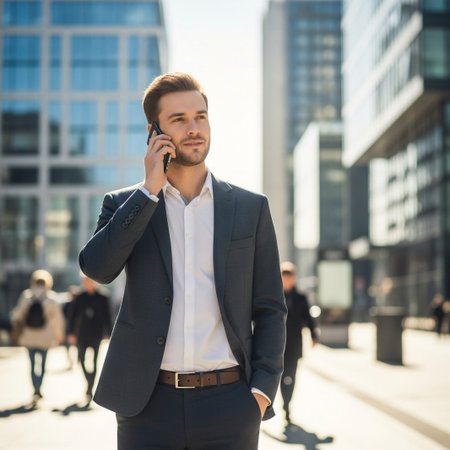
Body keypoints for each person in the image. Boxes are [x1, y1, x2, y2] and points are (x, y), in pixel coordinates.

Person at [79, 72, 286, 449]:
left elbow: (271, 306)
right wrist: (148, 191)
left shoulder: (250, 208)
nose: (194, 128)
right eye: (179, 119)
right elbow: (97, 269)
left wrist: (261, 392)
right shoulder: (126, 204)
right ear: (153, 131)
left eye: (200, 116)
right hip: (146, 405)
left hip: (231, 403)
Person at [10, 270, 65, 403]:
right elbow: (58, 319)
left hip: (28, 336)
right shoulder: (51, 298)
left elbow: (17, 315)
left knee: (32, 363)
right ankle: (39, 386)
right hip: (45, 337)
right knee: (43, 364)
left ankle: (35, 387)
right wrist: (59, 335)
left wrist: (16, 331)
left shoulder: (26, 296)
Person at [280, 261, 318, 423]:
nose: (287, 280)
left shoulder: (301, 298)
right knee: (279, 376)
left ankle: (287, 404)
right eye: (284, 277)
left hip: (295, 344)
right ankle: (282, 402)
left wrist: (314, 335)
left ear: (294, 278)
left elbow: (308, 318)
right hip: (277, 345)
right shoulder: (274, 296)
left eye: (290, 277)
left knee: (291, 376)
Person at [67, 275, 112, 402]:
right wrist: (70, 333)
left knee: (95, 361)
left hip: (96, 334)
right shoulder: (79, 297)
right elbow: (72, 316)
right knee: (81, 359)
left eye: (89, 281)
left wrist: (108, 333)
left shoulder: (103, 297)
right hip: (82, 334)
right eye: (84, 281)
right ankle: (89, 380)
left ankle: (90, 388)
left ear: (95, 282)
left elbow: (107, 316)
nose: (87, 283)